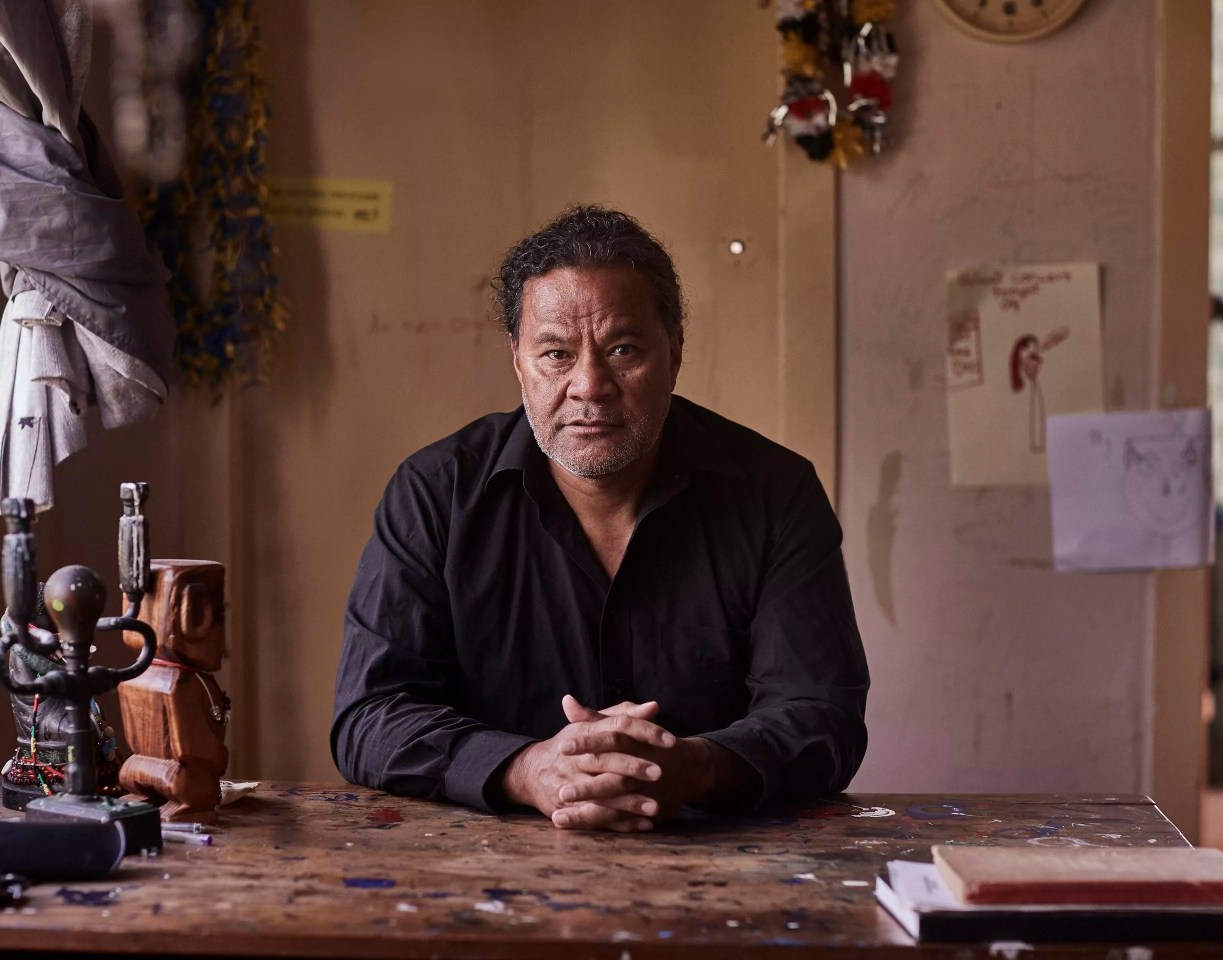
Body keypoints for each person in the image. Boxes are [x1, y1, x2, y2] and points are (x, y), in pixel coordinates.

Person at [332, 206, 868, 832]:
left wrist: (693, 767)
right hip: (481, 872)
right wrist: (527, 769)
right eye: (556, 354)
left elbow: (821, 713)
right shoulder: (434, 494)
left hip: (723, 862)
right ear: (517, 361)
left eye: (623, 349)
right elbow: (371, 713)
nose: (590, 385)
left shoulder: (776, 492)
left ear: (674, 351)